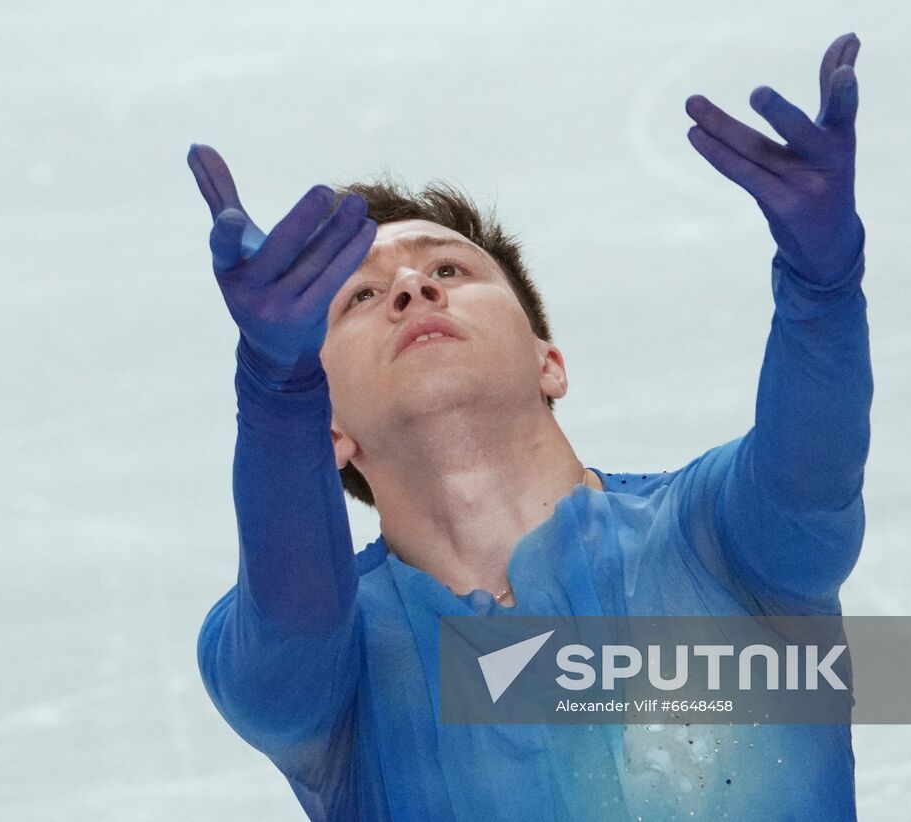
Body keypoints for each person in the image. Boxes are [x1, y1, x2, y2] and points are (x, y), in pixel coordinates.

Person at [190, 32, 872, 821]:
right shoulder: (329, 671)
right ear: (328, 429)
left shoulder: (722, 538)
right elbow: (291, 614)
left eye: (449, 269)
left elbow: (813, 464)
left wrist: (824, 285)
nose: (413, 287)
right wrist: (275, 391)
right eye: (361, 298)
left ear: (548, 359)